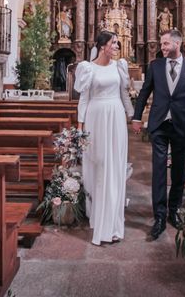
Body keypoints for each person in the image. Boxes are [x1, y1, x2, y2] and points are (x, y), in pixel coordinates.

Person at [132, 29, 185, 240]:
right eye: (162, 44)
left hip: (182, 125)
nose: (161, 47)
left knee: (179, 172)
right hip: (159, 124)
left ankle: (174, 211)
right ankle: (160, 216)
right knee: (160, 171)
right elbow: (144, 92)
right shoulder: (155, 66)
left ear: (177, 44)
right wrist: (137, 117)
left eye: (165, 44)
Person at [74, 31, 134, 245]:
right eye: (113, 43)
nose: (117, 46)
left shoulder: (120, 66)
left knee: (115, 167)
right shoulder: (88, 68)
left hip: (116, 117)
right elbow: (84, 99)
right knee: (100, 165)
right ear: (102, 46)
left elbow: (124, 94)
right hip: (96, 118)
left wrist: (133, 117)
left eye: (117, 42)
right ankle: (99, 217)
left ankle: (114, 223)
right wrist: (80, 127)